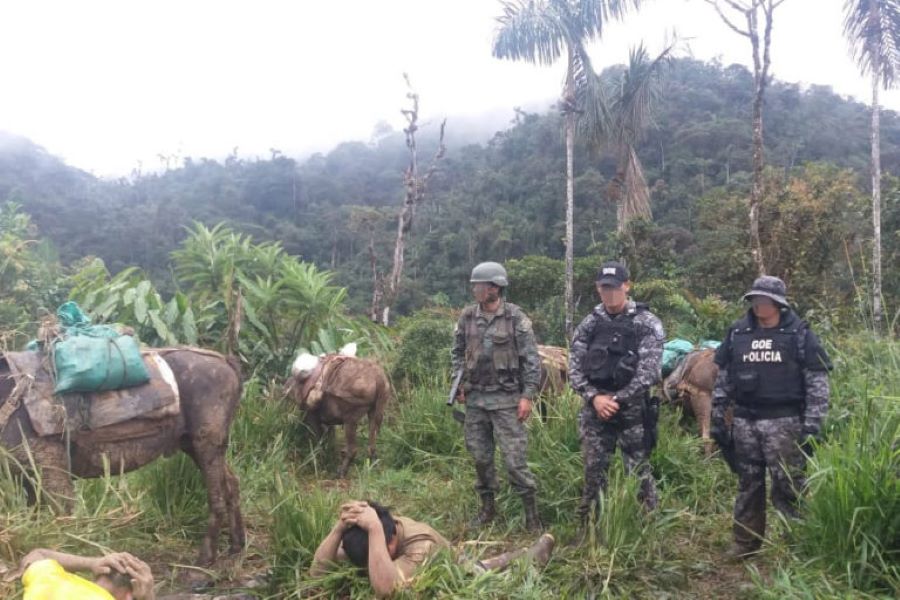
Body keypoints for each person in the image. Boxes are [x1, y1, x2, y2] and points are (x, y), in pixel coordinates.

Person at [712, 275, 831, 558]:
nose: (759, 305)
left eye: (765, 300)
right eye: (755, 300)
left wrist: (814, 424)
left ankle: (801, 545)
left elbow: (817, 382)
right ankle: (744, 543)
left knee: (789, 485)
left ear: (779, 304)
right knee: (748, 484)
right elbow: (724, 377)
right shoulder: (737, 333)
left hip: (785, 422)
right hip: (745, 421)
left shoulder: (799, 335)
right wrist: (718, 415)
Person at [568, 261, 664, 531]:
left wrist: (617, 399)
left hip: (632, 412)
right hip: (595, 410)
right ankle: (588, 528)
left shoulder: (646, 323)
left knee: (639, 471)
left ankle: (649, 529)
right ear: (598, 289)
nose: (609, 294)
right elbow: (574, 367)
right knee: (593, 471)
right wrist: (594, 397)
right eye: (604, 288)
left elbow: (650, 372)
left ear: (627, 286)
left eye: (614, 288)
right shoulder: (589, 324)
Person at [450, 261, 543, 531]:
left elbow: (531, 360)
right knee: (480, 458)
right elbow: (457, 352)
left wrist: (527, 396)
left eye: (478, 285)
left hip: (507, 401)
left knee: (515, 461)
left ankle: (531, 515)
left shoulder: (516, 318)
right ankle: (488, 509)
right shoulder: (467, 317)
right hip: (476, 400)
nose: (474, 290)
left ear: (494, 288)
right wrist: (459, 382)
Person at [310, 500, 555, 598]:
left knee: (498, 575)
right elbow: (316, 575)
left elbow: (387, 591)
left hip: (459, 573)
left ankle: (538, 551)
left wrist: (374, 531)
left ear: (392, 537)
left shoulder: (420, 544)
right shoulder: (368, 534)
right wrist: (339, 529)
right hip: (411, 558)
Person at [12, 548, 154, 600]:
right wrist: (148, 597)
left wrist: (92, 563)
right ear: (129, 596)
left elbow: (38, 554)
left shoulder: (49, 579)